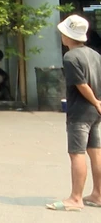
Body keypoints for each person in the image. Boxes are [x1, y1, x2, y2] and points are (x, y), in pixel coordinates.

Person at [47, 14, 101, 212]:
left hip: (80, 111)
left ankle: (76, 198)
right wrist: (98, 103)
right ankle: (98, 194)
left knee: (76, 153)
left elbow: (80, 84)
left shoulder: (70, 57)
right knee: (96, 152)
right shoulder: (95, 55)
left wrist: (94, 100)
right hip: (96, 111)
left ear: (68, 36)